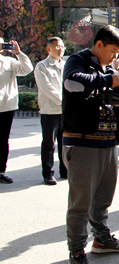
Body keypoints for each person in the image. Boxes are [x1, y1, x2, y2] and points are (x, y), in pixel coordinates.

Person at [62, 25, 119, 264]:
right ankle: (76, 252)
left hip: (106, 142)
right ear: (99, 44)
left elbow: (111, 105)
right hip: (82, 142)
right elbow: (72, 83)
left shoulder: (109, 69)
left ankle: (101, 239)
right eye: (112, 51)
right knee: (80, 202)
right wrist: (107, 80)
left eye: (118, 53)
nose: (115, 57)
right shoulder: (77, 60)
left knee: (103, 196)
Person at [34, 37, 67, 185]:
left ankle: (65, 170)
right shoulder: (42, 66)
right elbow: (47, 89)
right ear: (49, 49)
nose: (60, 49)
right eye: (57, 47)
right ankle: (48, 173)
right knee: (49, 143)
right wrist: (63, 102)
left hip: (64, 111)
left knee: (64, 142)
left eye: (62, 47)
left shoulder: (66, 65)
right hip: (50, 111)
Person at [0, 37, 33, 184]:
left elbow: (27, 69)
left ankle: (1, 171)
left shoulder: (10, 61)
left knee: (3, 141)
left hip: (7, 106)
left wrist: (18, 53)